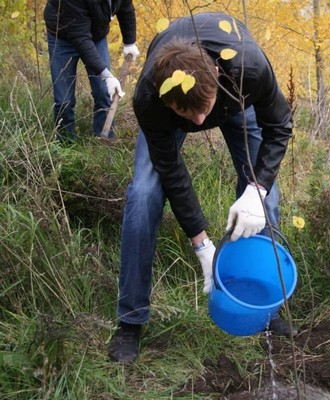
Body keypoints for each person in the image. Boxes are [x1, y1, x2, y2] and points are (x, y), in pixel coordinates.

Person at [108, 12, 296, 363]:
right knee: (144, 196)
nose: (197, 123)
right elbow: (172, 173)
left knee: (266, 201)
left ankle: (264, 308)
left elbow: (280, 126)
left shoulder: (248, 68)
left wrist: (256, 189)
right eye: (186, 114)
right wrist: (202, 246)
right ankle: (130, 321)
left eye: (202, 112)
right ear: (168, 103)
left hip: (233, 99)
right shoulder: (152, 99)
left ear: (218, 78)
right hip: (180, 105)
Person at [44, 0, 139, 142]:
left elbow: (126, 8)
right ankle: (66, 145)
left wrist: (130, 41)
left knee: (104, 92)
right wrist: (106, 75)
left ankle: (104, 140)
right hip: (62, 37)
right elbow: (80, 37)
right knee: (63, 101)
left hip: (96, 35)